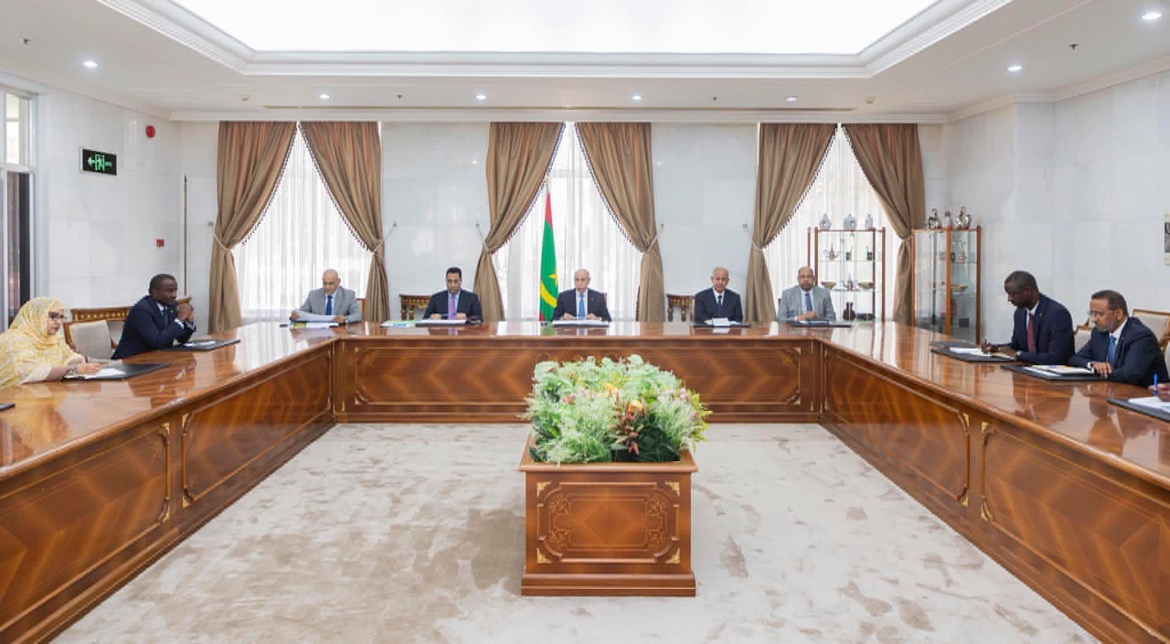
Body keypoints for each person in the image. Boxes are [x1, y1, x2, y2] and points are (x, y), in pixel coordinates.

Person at [1068, 289, 1168, 386]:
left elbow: (1129, 375)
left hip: (1145, 393)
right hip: (1110, 389)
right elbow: (1075, 359)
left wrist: (1099, 372)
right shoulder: (1099, 333)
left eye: (1098, 314)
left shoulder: (1141, 336)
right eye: (1091, 314)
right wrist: (1093, 364)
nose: (1093, 319)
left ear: (1118, 314)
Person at [0, 297, 104, 386]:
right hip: (14, 399)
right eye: (53, 316)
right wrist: (74, 369)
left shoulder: (54, 339)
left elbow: (68, 357)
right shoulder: (13, 339)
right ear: (35, 315)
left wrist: (82, 363)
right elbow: (30, 372)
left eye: (61, 317)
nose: (59, 322)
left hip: (45, 394)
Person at [981, 271, 1074, 364]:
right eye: (1008, 294)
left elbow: (1056, 358)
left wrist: (1018, 354)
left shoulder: (1057, 314)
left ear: (1028, 291)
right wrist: (997, 348)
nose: (1009, 299)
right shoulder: (1020, 313)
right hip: (1027, 368)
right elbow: (1016, 346)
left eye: (1013, 295)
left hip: (1053, 371)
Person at [113, 274, 197, 359]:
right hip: (131, 360)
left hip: (158, 358)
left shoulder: (172, 305)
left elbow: (181, 338)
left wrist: (188, 321)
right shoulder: (141, 310)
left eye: (175, 290)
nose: (174, 295)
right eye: (169, 291)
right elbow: (157, 341)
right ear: (154, 292)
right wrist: (180, 319)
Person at [290, 269, 362, 324]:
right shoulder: (313, 295)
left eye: (331, 284)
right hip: (317, 333)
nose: (327, 287)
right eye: (325, 283)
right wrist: (295, 316)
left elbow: (358, 315)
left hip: (339, 332)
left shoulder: (349, 295)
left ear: (338, 281)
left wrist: (345, 319)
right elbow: (302, 313)